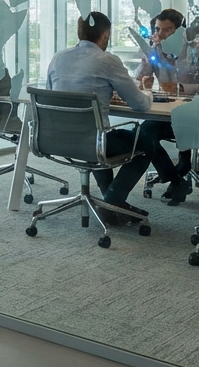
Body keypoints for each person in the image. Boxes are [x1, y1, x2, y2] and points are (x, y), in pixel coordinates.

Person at [45, 11, 168, 223]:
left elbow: (51, 99)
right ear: (106, 35)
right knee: (146, 142)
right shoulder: (107, 60)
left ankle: (110, 204)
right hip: (93, 142)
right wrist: (148, 93)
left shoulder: (58, 58)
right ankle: (112, 201)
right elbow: (139, 104)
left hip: (56, 140)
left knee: (98, 136)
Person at [135, 8, 199, 204]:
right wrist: (143, 80)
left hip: (194, 115)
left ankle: (183, 167)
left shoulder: (198, 50)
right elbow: (137, 77)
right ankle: (176, 179)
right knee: (145, 133)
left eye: (167, 30)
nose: (160, 35)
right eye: (157, 29)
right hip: (165, 113)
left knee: (183, 134)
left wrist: (181, 87)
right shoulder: (155, 50)